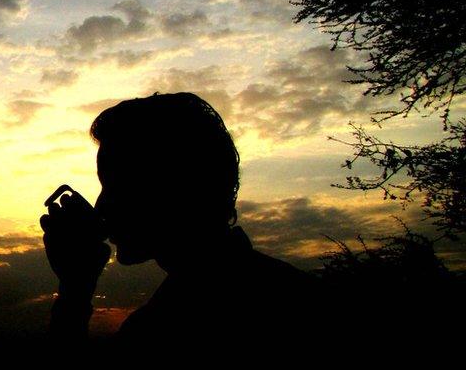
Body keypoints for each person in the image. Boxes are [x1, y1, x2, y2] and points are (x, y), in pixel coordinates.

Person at [41, 93, 319, 355]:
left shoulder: (160, 331)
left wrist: (75, 291)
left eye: (118, 186)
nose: (101, 207)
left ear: (174, 188)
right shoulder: (297, 296)